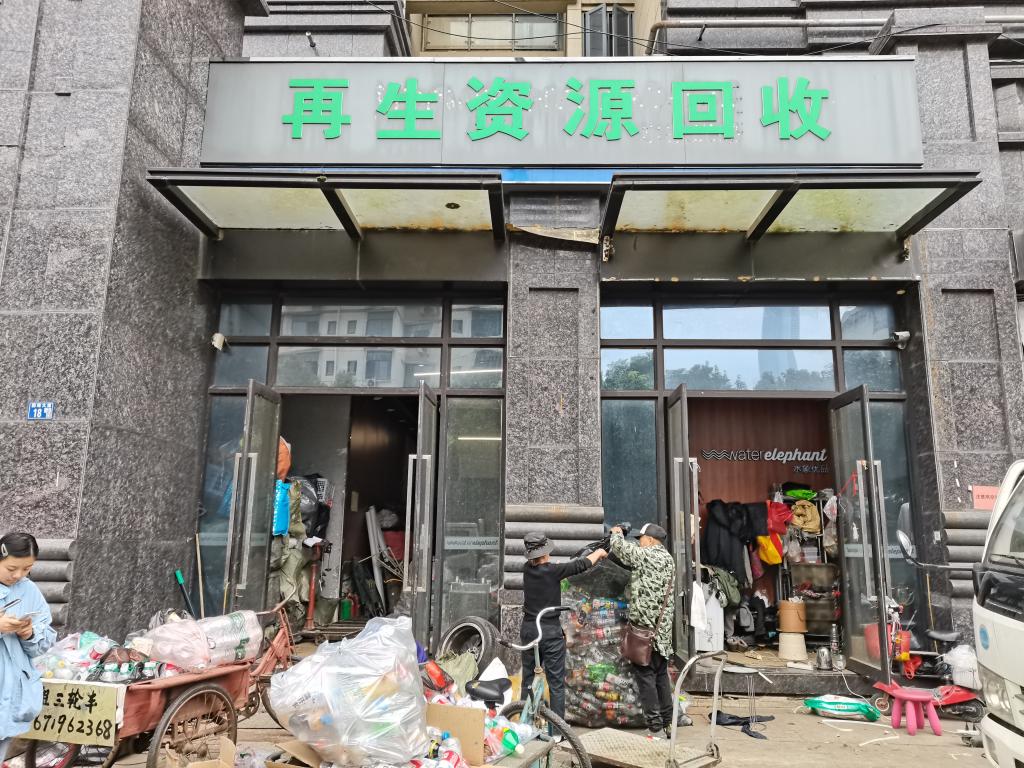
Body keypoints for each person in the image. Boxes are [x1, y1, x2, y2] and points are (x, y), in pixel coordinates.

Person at [520, 532, 607, 722]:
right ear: (545, 553)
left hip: (529, 629)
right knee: (556, 683)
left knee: (528, 679)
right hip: (549, 631)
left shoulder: (527, 569)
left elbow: (547, 571)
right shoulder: (553, 571)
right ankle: (557, 730)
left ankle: (523, 723)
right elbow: (581, 565)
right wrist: (599, 552)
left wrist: (555, 568)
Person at [609, 523, 676, 739]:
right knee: (660, 676)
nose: (639, 542)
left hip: (644, 631)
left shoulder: (647, 556)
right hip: (661, 632)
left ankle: (655, 727)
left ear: (650, 540)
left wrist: (616, 533)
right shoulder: (668, 559)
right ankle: (668, 723)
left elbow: (621, 549)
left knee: (646, 676)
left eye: (641, 539)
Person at [0, 533, 56, 765]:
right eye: (12, 568)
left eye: (27, 569)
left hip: (11, 693)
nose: (18, 575)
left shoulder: (29, 591)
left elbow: (45, 641)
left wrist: (29, 633)